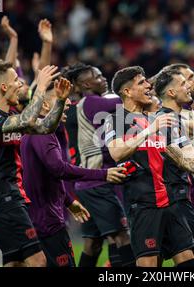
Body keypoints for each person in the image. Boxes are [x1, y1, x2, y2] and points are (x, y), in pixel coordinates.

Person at [105, 66, 194, 267]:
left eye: (147, 81)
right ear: (127, 92)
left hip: (172, 204)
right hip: (144, 206)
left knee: (190, 262)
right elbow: (117, 153)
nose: (148, 85)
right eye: (141, 83)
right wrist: (149, 130)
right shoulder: (115, 119)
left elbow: (185, 161)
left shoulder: (160, 121)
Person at [20, 77, 127, 267]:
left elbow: (49, 174)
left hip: (43, 216)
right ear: (44, 105)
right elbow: (59, 169)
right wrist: (103, 174)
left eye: (67, 97)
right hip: (45, 221)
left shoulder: (46, 130)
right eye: (61, 97)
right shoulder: (41, 131)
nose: (68, 102)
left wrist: (68, 201)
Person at [0, 61, 65, 267]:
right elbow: (26, 120)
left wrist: (59, 101)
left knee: (14, 263)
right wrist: (40, 88)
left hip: (10, 196)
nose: (20, 84)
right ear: (3, 87)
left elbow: (44, 127)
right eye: (16, 80)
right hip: (2, 197)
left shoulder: (10, 117)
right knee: (38, 261)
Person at [62, 63, 133, 267]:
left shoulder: (86, 105)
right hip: (97, 182)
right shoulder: (91, 102)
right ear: (85, 83)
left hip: (89, 182)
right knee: (122, 236)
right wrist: (146, 87)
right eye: (98, 76)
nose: (104, 79)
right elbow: (126, 101)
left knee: (93, 244)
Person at [153, 69, 194, 266]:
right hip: (170, 200)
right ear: (170, 92)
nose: (189, 86)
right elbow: (188, 160)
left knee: (190, 256)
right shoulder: (166, 120)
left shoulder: (176, 118)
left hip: (177, 195)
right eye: (183, 83)